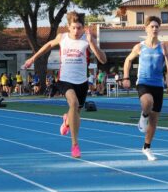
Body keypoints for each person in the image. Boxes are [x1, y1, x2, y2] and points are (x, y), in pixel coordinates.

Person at [23, 11, 107, 158]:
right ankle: (75, 145)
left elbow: (103, 60)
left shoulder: (87, 39)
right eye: (73, 27)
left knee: (76, 112)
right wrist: (32, 58)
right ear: (68, 27)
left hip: (82, 82)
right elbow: (48, 45)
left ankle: (67, 120)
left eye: (79, 28)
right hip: (65, 80)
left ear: (83, 27)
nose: (76, 31)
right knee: (73, 104)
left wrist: (92, 43)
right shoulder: (62, 38)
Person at [123, 16, 168, 161]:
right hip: (143, 82)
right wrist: (126, 77)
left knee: (154, 121)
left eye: (157, 26)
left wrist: (166, 56)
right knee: (147, 102)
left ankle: (147, 148)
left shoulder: (164, 46)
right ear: (146, 29)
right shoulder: (140, 47)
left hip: (158, 84)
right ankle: (143, 116)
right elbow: (128, 60)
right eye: (152, 26)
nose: (154, 29)